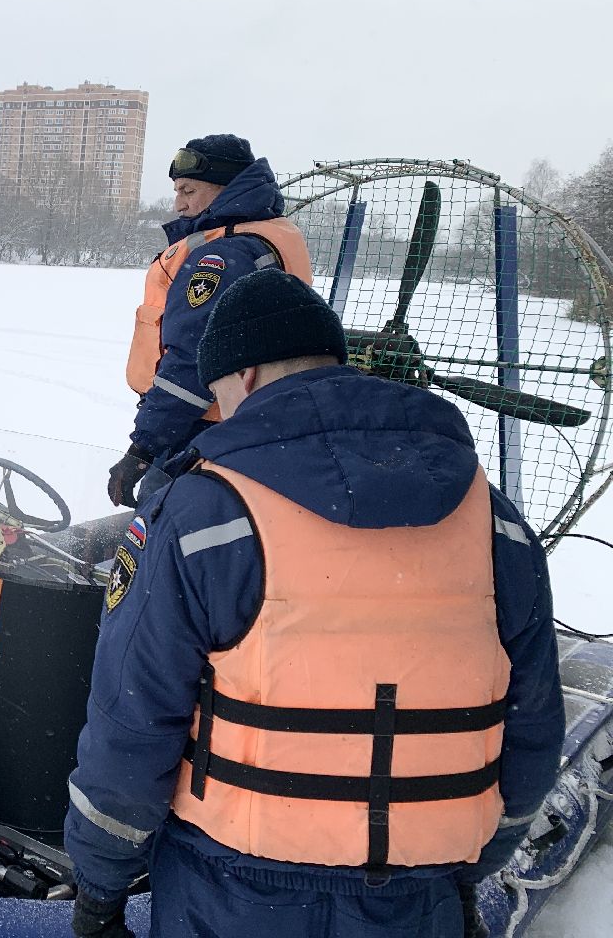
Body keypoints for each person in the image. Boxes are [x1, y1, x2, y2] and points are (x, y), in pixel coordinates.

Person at [67, 269, 564, 938]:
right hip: (420, 898)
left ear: (243, 378)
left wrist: (99, 892)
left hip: (231, 895)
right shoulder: (496, 524)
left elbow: (130, 731)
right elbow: (531, 731)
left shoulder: (202, 514)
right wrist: (467, 869)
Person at [108, 135, 314, 507]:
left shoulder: (224, 255)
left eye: (188, 190)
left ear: (226, 187)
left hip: (202, 425)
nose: (179, 203)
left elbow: (191, 361)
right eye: (176, 191)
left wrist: (143, 448)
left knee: (160, 526)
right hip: (245, 420)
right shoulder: (267, 234)